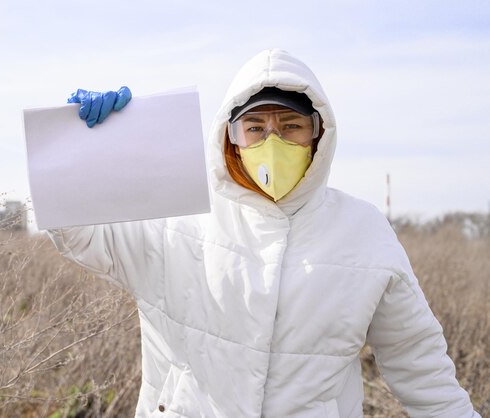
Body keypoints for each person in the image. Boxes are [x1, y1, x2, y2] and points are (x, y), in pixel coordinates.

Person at [48, 49, 479, 417]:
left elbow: (422, 368)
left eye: (291, 126)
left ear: (318, 134)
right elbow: (79, 236)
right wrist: (80, 147)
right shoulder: (177, 216)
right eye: (254, 127)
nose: (272, 141)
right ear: (231, 137)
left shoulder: (364, 232)